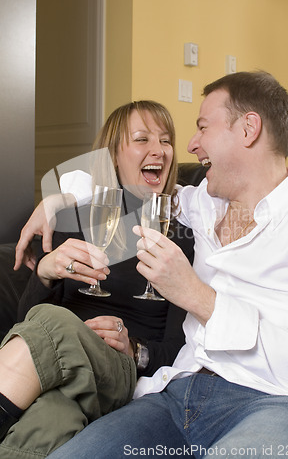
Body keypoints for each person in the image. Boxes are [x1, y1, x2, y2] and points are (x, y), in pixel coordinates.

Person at [47, 71, 288, 459]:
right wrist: (54, 202)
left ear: (248, 129)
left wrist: (199, 298)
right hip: (173, 395)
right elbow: (124, 186)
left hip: (276, 404)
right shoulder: (197, 203)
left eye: (202, 128)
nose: (190, 145)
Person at [0, 101, 194, 459]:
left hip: (117, 369)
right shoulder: (72, 218)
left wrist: (136, 350)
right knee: (48, 420)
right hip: (60, 371)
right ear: (113, 157)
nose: (159, 150)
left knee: (58, 322)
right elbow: (23, 327)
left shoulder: (181, 233)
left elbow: (180, 349)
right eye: (142, 139)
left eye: (166, 141)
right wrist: (43, 273)